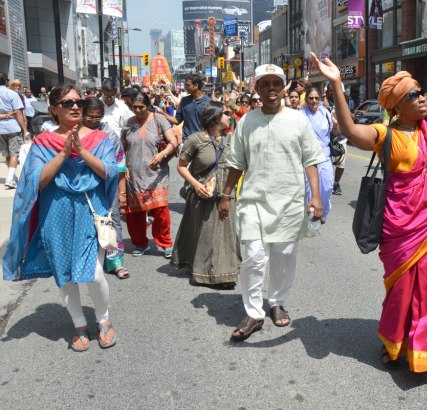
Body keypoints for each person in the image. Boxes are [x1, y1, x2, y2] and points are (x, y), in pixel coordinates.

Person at [313, 30, 427, 372]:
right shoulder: (385, 135)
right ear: (396, 105)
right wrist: (337, 86)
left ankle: (424, 350)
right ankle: (394, 343)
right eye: (413, 94)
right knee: (402, 293)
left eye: (422, 92)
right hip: (402, 228)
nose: (422, 98)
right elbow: (350, 129)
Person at [2, 84, 118, 351]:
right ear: (53, 109)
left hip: (91, 210)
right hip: (56, 212)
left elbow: (110, 172)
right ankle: (79, 325)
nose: (75, 107)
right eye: (67, 104)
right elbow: (36, 183)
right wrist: (64, 153)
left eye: (78, 102)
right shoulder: (43, 143)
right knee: (64, 274)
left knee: (95, 273)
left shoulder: (99, 138)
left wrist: (82, 152)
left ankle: (104, 320)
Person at [218, 63, 325, 341]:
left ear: (284, 87)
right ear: (257, 89)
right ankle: (254, 312)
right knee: (254, 257)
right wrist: (226, 195)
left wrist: (315, 196)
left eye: (275, 83)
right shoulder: (246, 122)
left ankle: (276, 301)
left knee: (284, 257)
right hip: (253, 201)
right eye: (264, 84)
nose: (270, 89)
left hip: (289, 201)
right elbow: (236, 163)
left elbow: (311, 160)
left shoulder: (298, 120)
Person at [171, 101, 240, 288]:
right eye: (225, 114)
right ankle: (202, 272)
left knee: (224, 235)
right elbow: (181, 166)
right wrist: (195, 184)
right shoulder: (195, 140)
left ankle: (224, 274)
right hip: (202, 196)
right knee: (207, 235)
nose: (229, 117)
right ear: (216, 118)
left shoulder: (231, 140)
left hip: (225, 195)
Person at [121, 92, 179, 258]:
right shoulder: (128, 124)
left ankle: (165, 242)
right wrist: (122, 168)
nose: (138, 110)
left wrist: (161, 155)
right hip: (133, 174)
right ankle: (140, 243)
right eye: (135, 107)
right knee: (134, 213)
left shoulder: (159, 120)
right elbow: (122, 147)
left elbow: (173, 142)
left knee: (161, 211)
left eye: (142, 107)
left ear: (148, 106)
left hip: (156, 174)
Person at [82, 98, 130, 279]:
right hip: (83, 188)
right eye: (89, 117)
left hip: (107, 187)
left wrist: (122, 192)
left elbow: (120, 164)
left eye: (98, 117)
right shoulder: (76, 132)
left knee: (112, 221)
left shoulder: (108, 133)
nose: (94, 121)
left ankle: (116, 262)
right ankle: (90, 262)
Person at [301, 87, 334, 220]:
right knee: (309, 187)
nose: (313, 101)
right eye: (310, 98)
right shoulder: (300, 115)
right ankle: (311, 212)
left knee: (327, 186)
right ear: (306, 99)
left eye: (316, 98)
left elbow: (333, 132)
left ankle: (324, 211)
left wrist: (337, 125)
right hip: (309, 156)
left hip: (325, 155)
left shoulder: (325, 112)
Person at [0, 72, 29, 188]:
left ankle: (12, 177)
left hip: (1, 129)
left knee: (7, 154)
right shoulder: (11, 94)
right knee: (14, 154)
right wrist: (25, 130)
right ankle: (10, 178)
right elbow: (18, 113)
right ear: (6, 82)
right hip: (13, 127)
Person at [162, 74, 211, 142]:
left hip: (203, 141)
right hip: (187, 141)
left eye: (188, 85)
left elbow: (212, 124)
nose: (185, 87)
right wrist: (163, 113)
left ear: (196, 85)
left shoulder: (208, 102)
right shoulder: (184, 101)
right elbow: (177, 121)